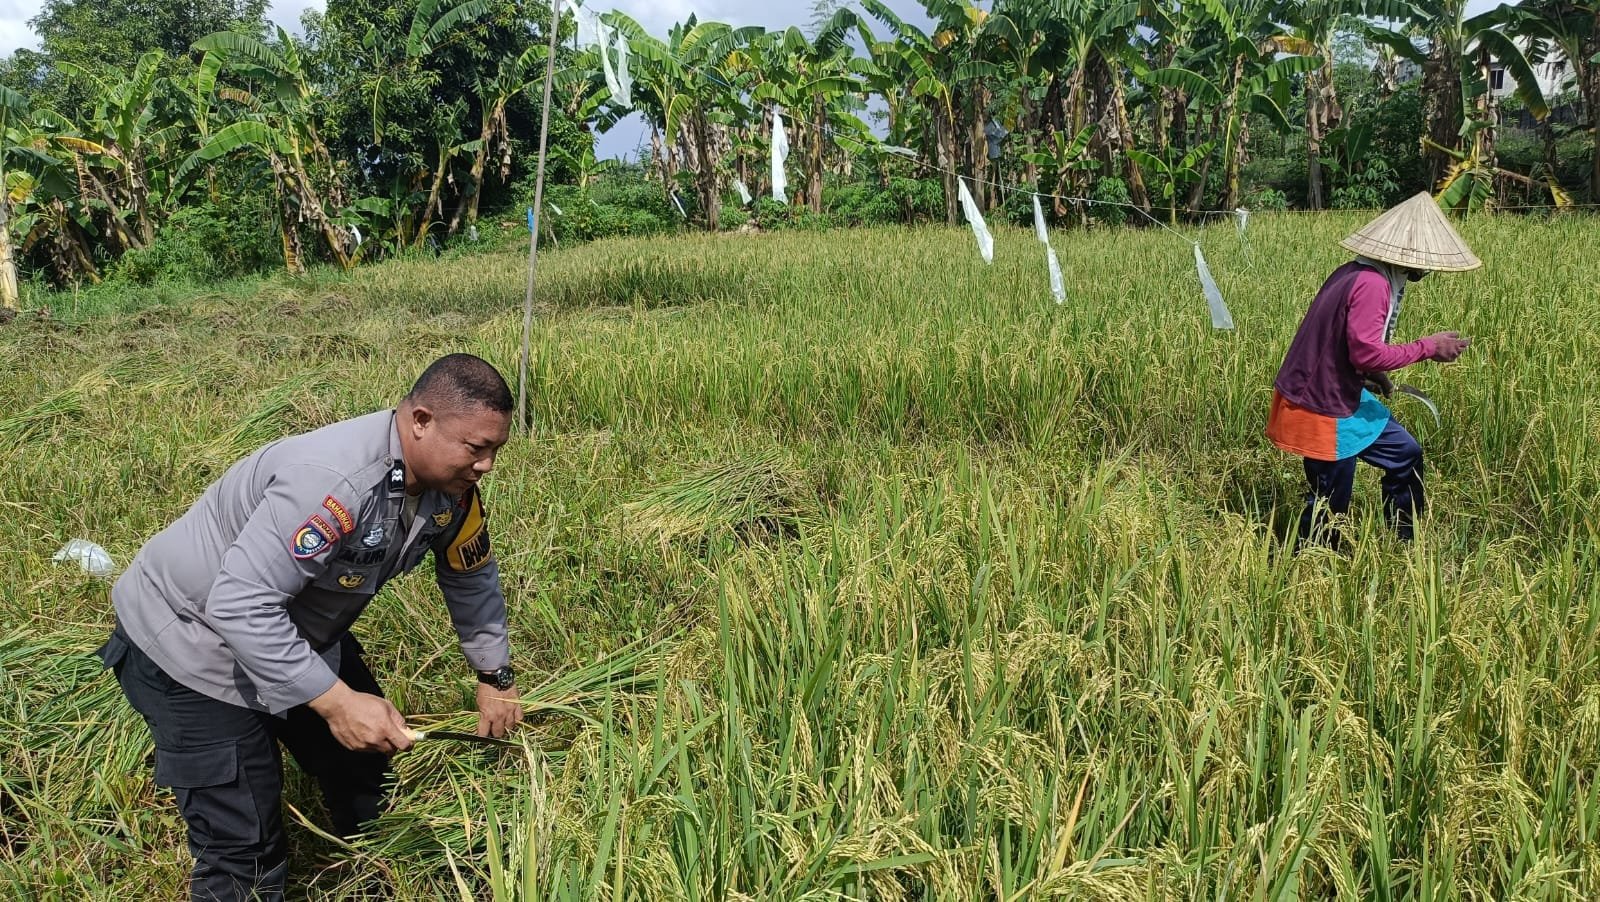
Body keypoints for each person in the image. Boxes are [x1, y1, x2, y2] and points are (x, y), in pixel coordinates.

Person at [96, 353, 525, 901]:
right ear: (421, 421)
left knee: (370, 773)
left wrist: (495, 674)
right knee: (243, 852)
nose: (487, 465)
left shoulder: (453, 490)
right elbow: (240, 606)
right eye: (476, 448)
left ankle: (376, 879)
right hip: (192, 643)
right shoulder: (335, 483)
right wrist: (337, 703)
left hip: (294, 630)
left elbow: (471, 576)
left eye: (497, 450)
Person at [1266, 193, 1478, 549]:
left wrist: (1374, 376)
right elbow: (1365, 352)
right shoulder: (1374, 284)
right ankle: (1308, 563)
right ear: (1410, 257)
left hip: (1340, 391)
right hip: (1322, 403)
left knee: (1405, 452)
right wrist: (1429, 347)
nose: (1427, 268)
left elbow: (1348, 347)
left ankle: (1404, 540)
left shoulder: (1359, 272)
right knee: (1331, 500)